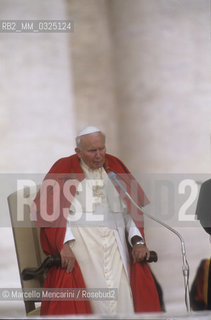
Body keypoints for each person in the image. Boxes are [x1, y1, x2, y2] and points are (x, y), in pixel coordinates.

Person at [32, 126, 161, 316]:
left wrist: (138, 241)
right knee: (93, 304)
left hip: (116, 249)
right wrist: (63, 245)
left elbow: (132, 210)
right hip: (83, 248)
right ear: (78, 152)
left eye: (102, 149)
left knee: (124, 302)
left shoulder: (115, 167)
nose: (99, 155)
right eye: (92, 151)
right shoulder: (64, 168)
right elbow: (52, 212)